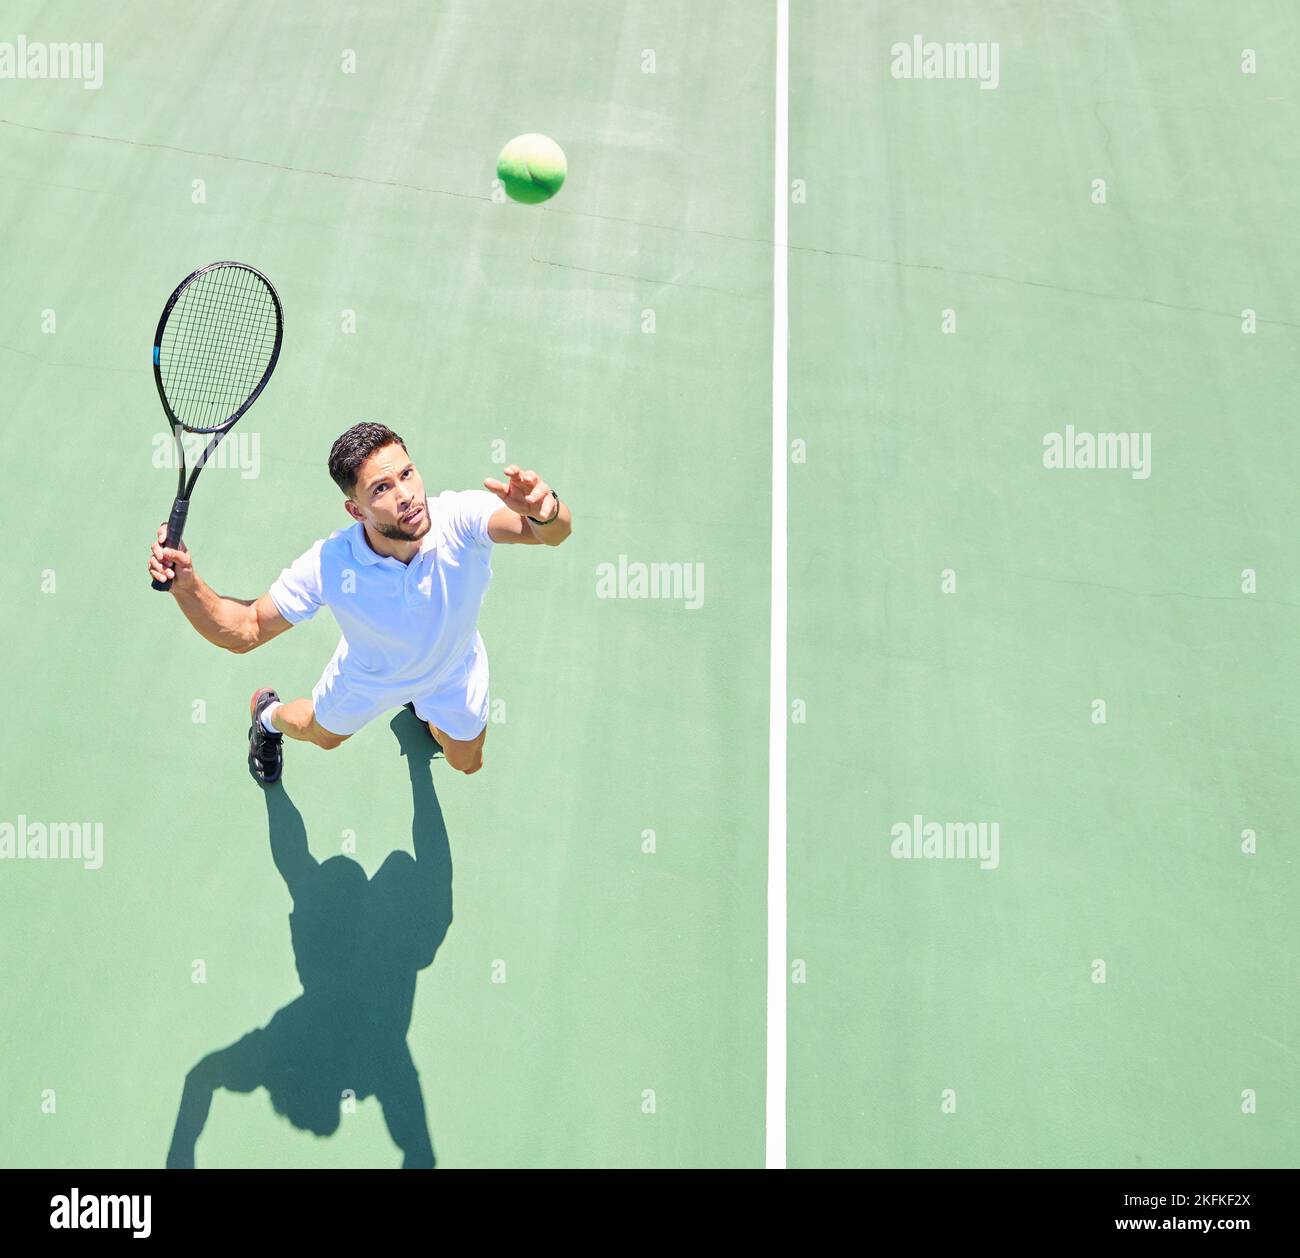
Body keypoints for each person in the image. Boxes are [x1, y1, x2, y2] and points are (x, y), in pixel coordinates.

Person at [147, 421, 572, 782]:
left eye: (407, 474)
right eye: (382, 488)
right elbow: (245, 629)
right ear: (356, 511)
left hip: (453, 669)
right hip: (370, 678)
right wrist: (188, 586)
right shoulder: (331, 564)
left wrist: (545, 510)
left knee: (468, 764)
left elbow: (552, 534)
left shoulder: (462, 519)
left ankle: (426, 712)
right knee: (321, 735)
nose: (405, 495)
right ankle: (267, 717)